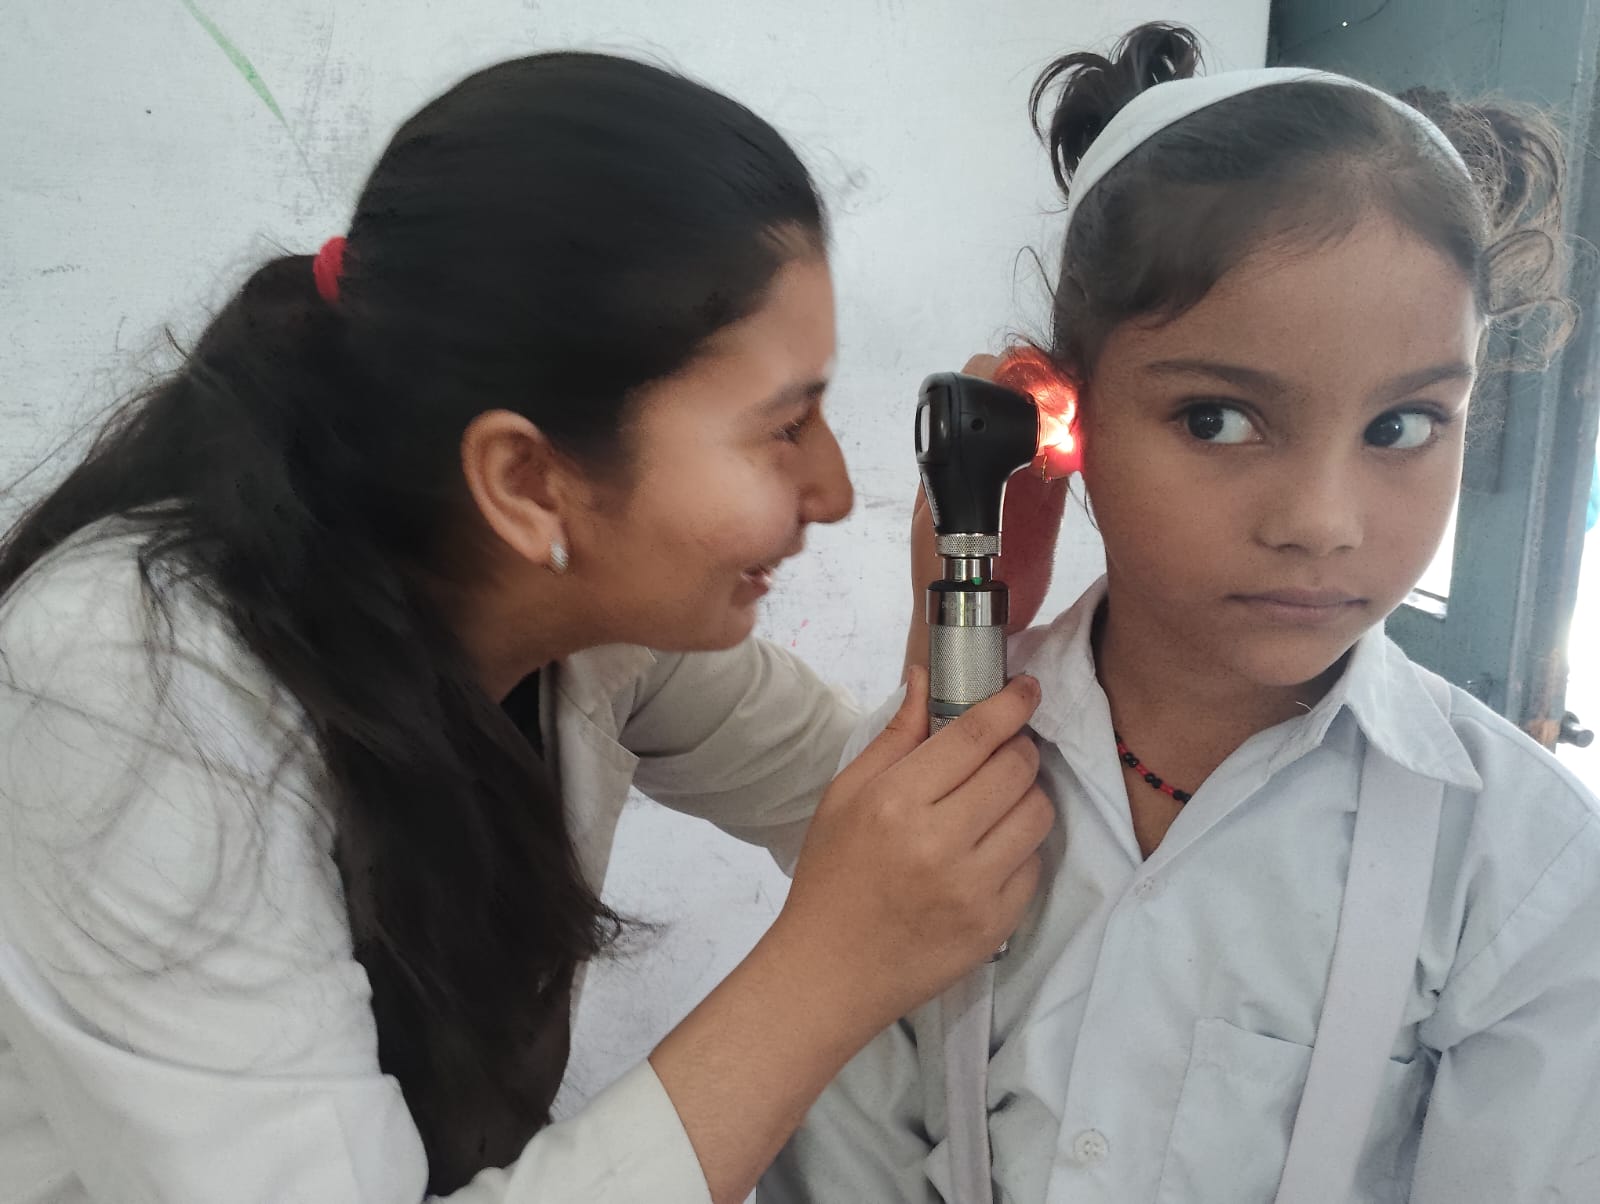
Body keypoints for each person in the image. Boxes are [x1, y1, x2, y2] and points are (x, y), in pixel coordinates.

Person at [0, 53, 1058, 1203]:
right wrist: (829, 968)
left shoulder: (582, 623)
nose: (836, 492)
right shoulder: (127, 685)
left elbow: (882, 829)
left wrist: (969, 594)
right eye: (782, 427)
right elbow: (869, 905)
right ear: (527, 480)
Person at [764, 22, 1600, 1204]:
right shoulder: (922, 790)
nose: (1320, 520)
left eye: (1402, 425)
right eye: (1217, 419)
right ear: (1064, 420)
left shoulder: (1522, 868)